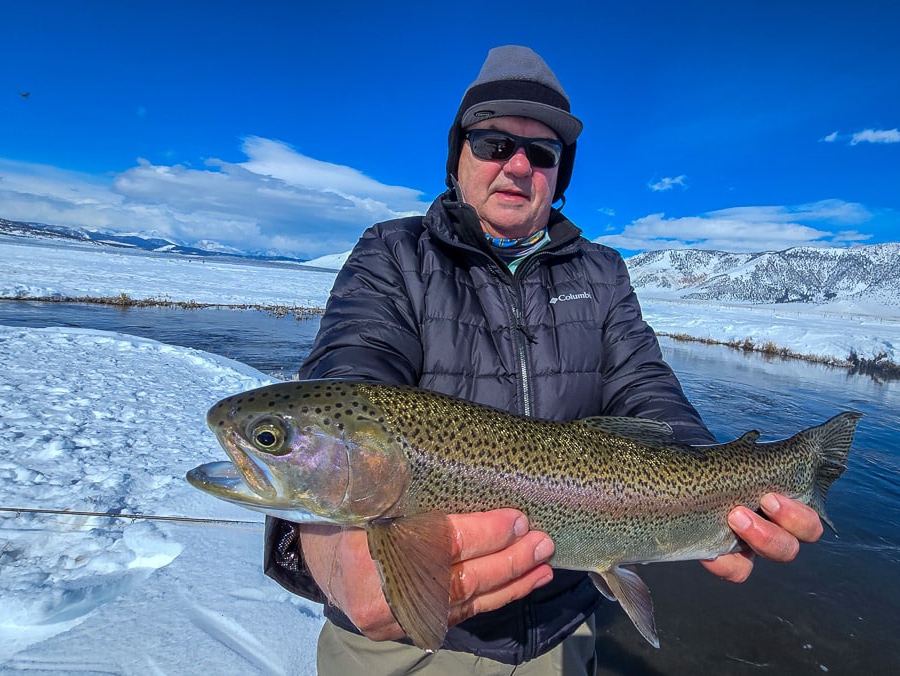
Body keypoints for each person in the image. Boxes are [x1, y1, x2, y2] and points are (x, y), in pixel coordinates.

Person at [263, 45, 825, 675]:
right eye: (494, 143)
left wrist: (713, 478)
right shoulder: (394, 253)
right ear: (458, 157)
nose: (518, 165)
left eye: (543, 152)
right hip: (410, 638)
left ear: (560, 174)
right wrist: (328, 545)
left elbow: (644, 388)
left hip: (561, 629)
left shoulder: (603, 272)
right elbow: (352, 379)